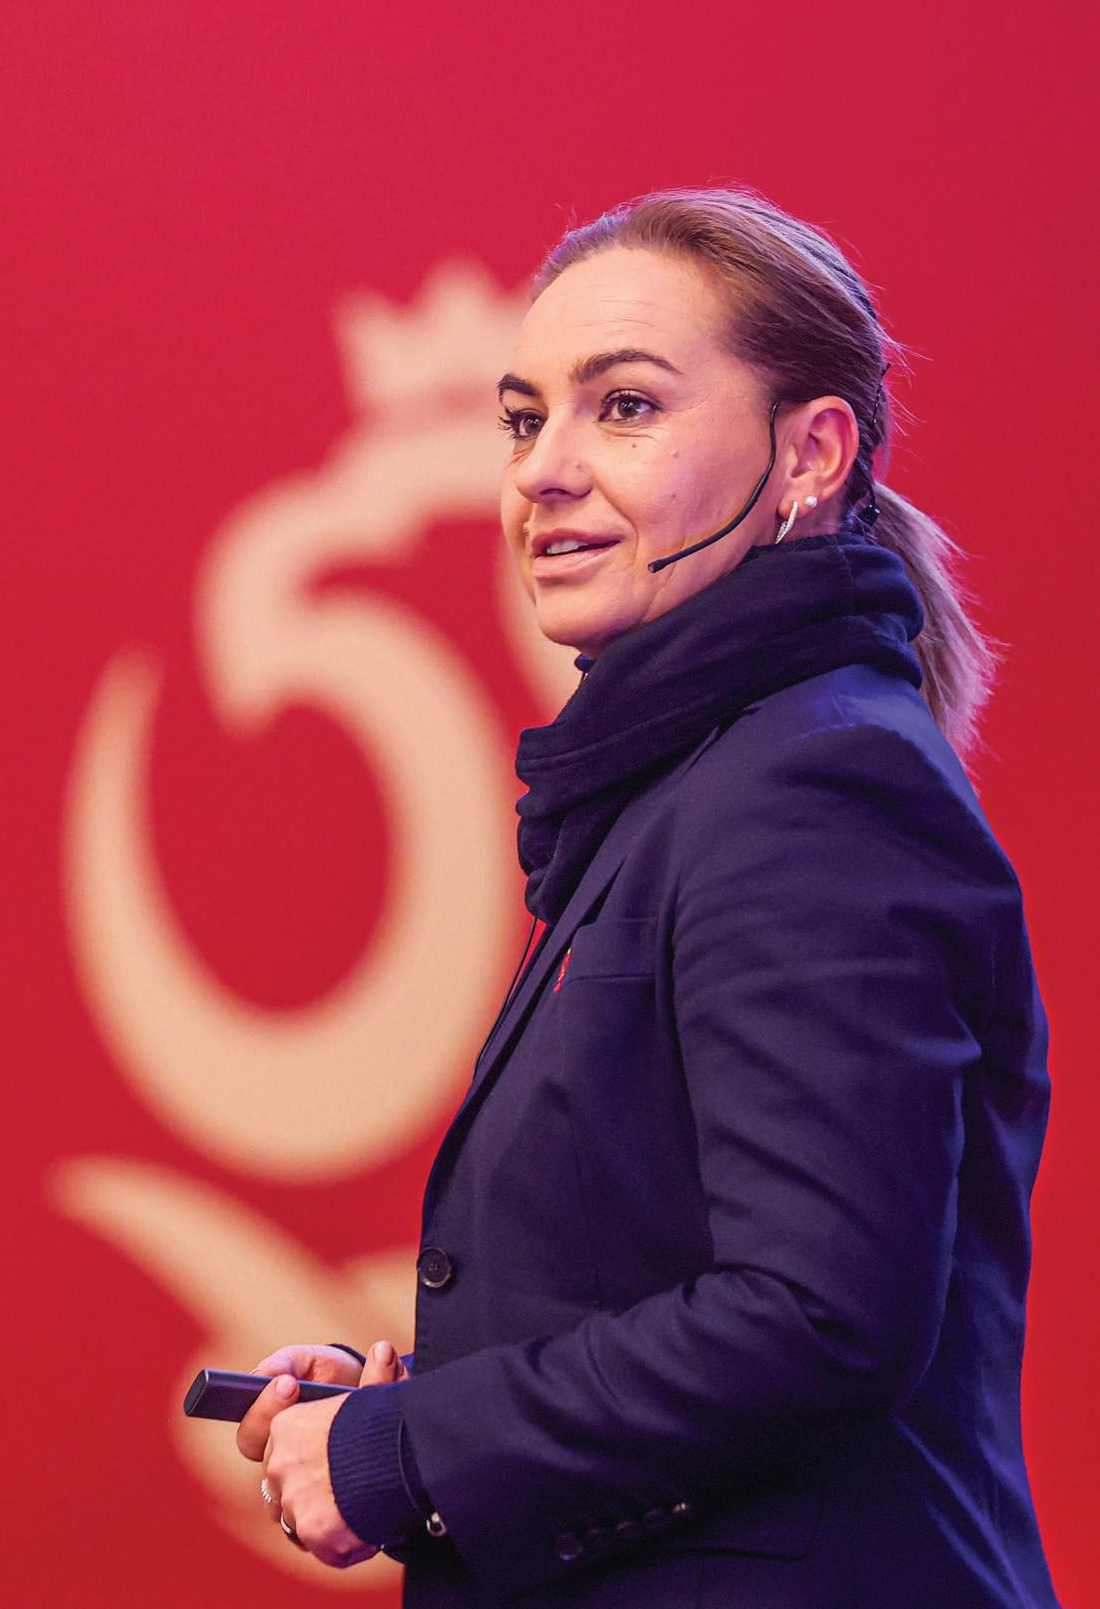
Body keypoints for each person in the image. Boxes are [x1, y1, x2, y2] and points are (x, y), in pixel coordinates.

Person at [235, 187, 1060, 1607]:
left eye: (624, 408)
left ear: (809, 455)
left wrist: (418, 1451)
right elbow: (697, 1284)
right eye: (521, 420)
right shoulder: (721, 773)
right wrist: (415, 1412)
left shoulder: (817, 785)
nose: (542, 473)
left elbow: (819, 1314)